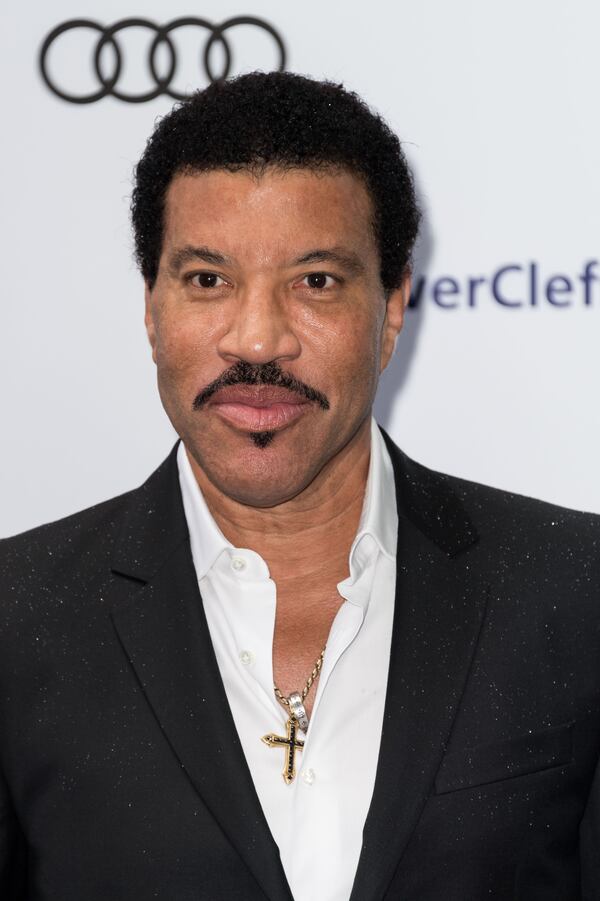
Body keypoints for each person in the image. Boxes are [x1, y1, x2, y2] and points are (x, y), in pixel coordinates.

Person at [0, 71, 598, 901]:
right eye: (207, 280)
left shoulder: (575, 589)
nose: (258, 337)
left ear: (391, 312)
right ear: (151, 310)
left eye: (315, 281)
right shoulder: (17, 616)